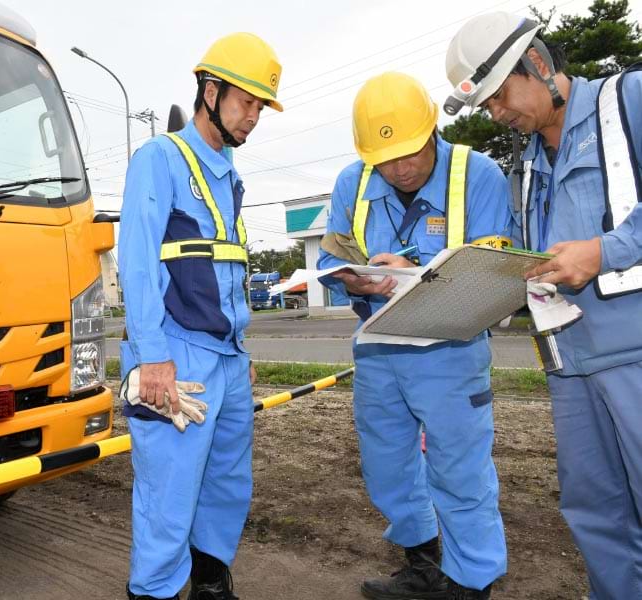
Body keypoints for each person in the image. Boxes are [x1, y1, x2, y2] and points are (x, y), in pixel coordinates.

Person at [445, 12, 642, 599]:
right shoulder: (526, 165)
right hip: (569, 368)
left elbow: (599, 247)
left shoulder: (626, 101)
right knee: (595, 514)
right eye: (486, 106)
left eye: (500, 95)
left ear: (536, 64)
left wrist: (605, 251)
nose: (497, 113)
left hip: (634, 359)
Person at [317, 72, 512, 600]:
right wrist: (350, 278)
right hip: (378, 349)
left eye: (411, 153)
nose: (400, 168)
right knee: (388, 468)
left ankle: (472, 584)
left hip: (449, 351)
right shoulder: (351, 184)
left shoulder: (479, 175)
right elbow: (331, 257)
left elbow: (496, 272)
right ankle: (423, 566)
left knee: (460, 473)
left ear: (433, 132)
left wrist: (414, 270)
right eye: (387, 159)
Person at [117, 32, 284, 600]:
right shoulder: (161, 159)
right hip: (176, 353)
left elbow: (224, 272)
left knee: (226, 485)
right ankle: (155, 592)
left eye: (262, 106)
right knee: (169, 494)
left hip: (228, 361)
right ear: (211, 92)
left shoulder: (230, 175)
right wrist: (152, 358)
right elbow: (136, 264)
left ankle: (211, 586)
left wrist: (242, 351)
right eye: (247, 102)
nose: (254, 116)